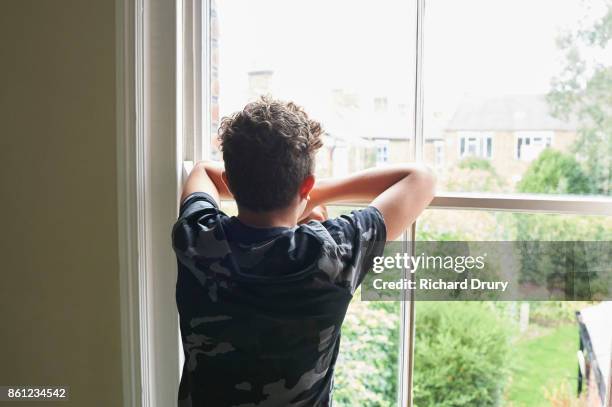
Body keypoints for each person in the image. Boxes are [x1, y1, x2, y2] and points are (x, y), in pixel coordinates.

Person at [172, 97, 435, 406]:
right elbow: (421, 179)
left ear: (231, 182)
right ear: (307, 184)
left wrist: (296, 191)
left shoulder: (197, 238)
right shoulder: (331, 252)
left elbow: (203, 171)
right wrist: (310, 193)